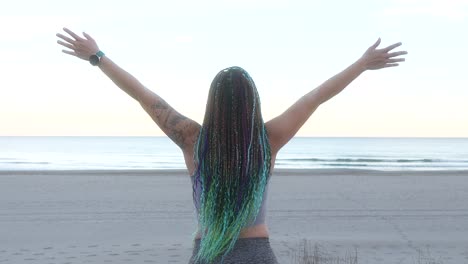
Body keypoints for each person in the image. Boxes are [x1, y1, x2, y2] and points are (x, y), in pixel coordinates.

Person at [56, 27, 407, 264]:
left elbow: (143, 95)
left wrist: (98, 57)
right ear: (253, 102)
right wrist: (361, 65)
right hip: (257, 252)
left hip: (209, 251)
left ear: (212, 103)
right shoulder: (267, 140)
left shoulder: (192, 139)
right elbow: (316, 97)